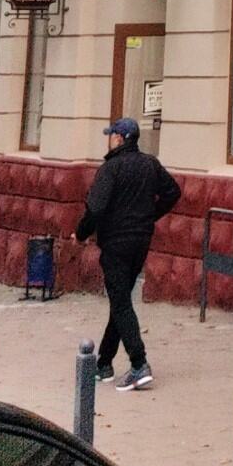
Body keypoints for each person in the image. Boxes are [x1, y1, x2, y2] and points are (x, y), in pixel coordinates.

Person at [75, 114, 181, 391]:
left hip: (115, 243)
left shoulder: (110, 169)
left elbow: (95, 208)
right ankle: (104, 364)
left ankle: (139, 364)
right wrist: (149, 216)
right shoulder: (150, 164)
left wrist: (81, 233)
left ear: (120, 138)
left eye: (111, 135)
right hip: (140, 241)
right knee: (120, 299)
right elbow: (173, 192)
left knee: (121, 301)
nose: (109, 139)